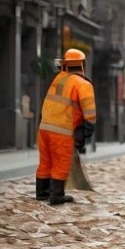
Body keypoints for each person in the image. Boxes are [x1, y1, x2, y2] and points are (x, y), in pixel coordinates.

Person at [35, 48, 96, 205]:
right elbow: (90, 114)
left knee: (45, 162)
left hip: (44, 129)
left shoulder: (58, 79)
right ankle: (56, 195)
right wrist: (86, 134)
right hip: (62, 131)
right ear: (82, 64)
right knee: (61, 162)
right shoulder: (83, 84)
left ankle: (42, 193)